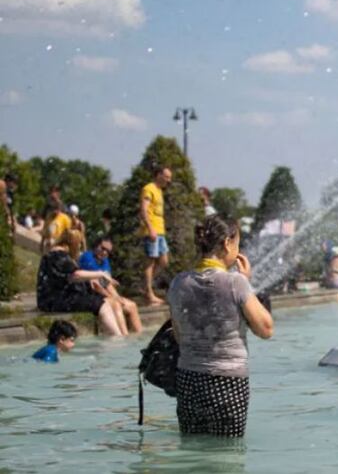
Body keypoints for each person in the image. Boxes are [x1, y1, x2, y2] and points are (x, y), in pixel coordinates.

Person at [167, 215, 273, 438]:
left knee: (193, 450)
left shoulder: (178, 282)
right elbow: (265, 329)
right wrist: (248, 282)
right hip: (228, 383)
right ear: (226, 243)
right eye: (237, 243)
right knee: (227, 456)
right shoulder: (236, 282)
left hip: (188, 380)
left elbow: (178, 335)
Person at [36, 240, 123, 336]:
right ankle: (117, 338)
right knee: (101, 305)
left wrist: (93, 279)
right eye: (80, 245)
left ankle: (120, 336)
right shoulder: (59, 255)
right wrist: (101, 274)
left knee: (106, 302)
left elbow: (68, 278)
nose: (80, 249)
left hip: (56, 298)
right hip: (53, 301)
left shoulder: (57, 255)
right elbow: (75, 275)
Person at [79, 236, 143, 334]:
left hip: (103, 294)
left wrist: (117, 297)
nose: (104, 252)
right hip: (91, 295)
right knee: (116, 304)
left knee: (132, 306)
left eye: (108, 251)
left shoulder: (105, 261)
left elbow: (107, 283)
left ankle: (139, 336)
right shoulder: (88, 257)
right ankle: (124, 336)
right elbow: (96, 285)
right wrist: (113, 298)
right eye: (102, 248)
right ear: (96, 246)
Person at [140, 166, 172, 305]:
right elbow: (143, 209)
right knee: (150, 262)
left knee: (164, 261)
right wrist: (150, 228)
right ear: (158, 175)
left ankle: (146, 286)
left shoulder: (159, 191)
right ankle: (149, 293)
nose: (168, 180)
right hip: (152, 230)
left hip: (160, 231)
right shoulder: (149, 189)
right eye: (166, 177)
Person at [1, 172, 16, 240]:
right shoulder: (2, 185)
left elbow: (10, 208)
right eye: (13, 182)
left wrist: (12, 221)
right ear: (8, 181)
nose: (14, 184)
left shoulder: (10, 193)